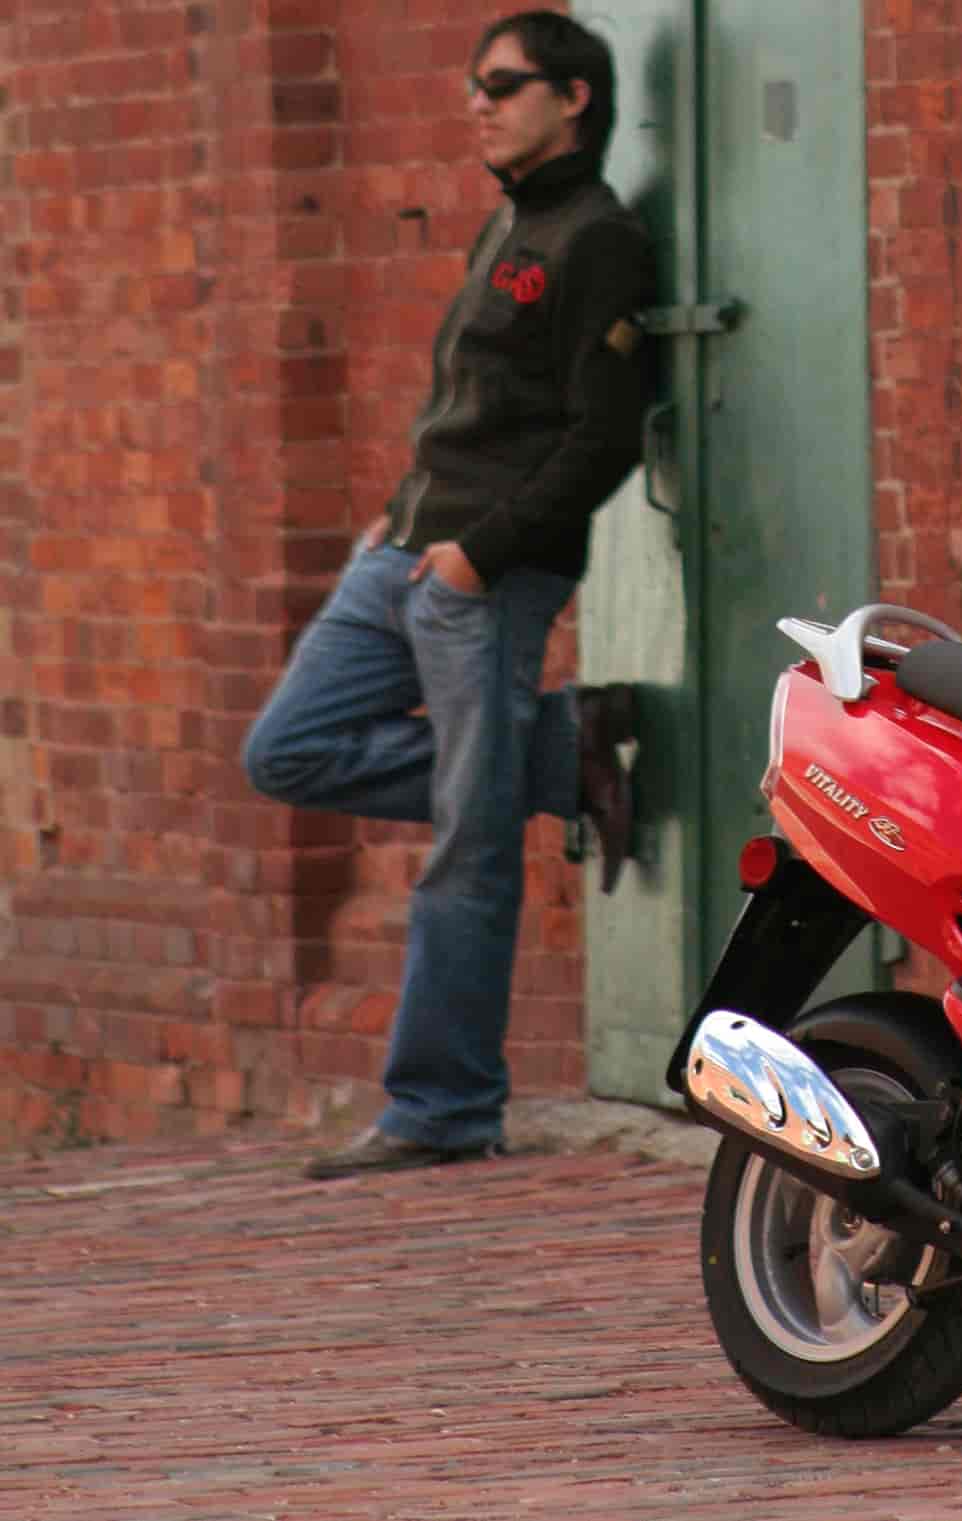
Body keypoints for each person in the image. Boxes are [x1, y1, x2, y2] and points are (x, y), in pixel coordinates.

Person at [241, 10, 659, 1180]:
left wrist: (481, 549)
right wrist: (400, 515)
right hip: (404, 555)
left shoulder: (597, 238)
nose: (477, 101)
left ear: (572, 99)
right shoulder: (508, 219)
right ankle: (559, 747)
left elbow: (601, 437)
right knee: (286, 752)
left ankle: (443, 1108)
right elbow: (470, 408)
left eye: (503, 84)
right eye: (475, 83)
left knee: (467, 847)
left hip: (486, 572)